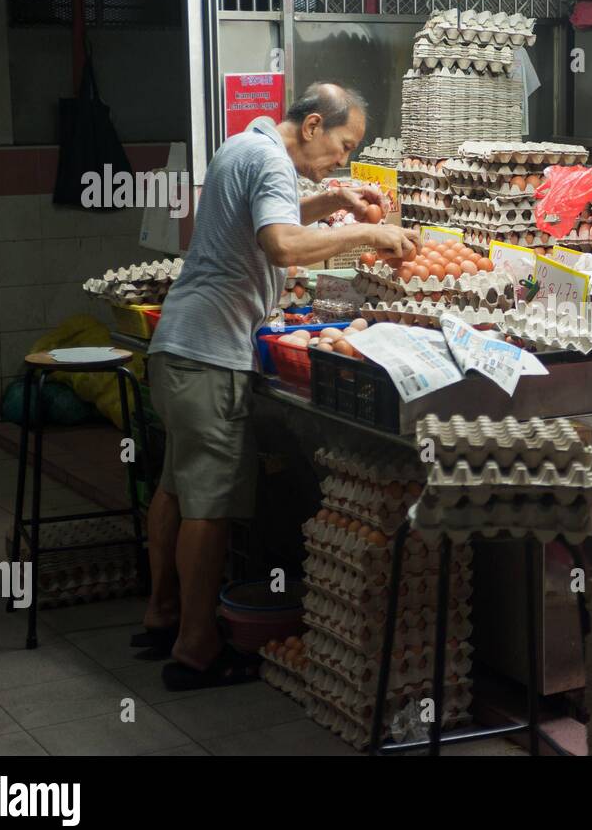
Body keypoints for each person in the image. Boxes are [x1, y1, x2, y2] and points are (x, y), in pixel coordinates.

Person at [136, 83, 414, 690]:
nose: (342, 160)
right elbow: (281, 243)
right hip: (210, 354)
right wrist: (367, 235)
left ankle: (162, 614)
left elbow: (272, 221)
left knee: (176, 490)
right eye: (343, 146)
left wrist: (333, 199)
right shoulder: (270, 161)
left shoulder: (244, 146)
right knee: (206, 508)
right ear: (313, 125)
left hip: (178, 349)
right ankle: (197, 648)